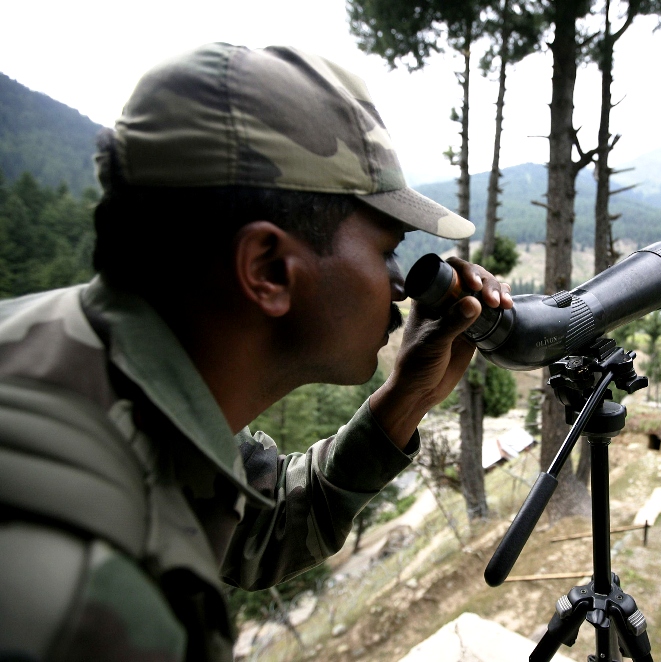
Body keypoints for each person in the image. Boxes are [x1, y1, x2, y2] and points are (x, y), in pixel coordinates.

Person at [0, 43, 512, 661]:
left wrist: (406, 397)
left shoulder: (102, 375)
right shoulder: (89, 598)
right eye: (385, 251)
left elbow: (261, 528)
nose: (403, 284)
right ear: (267, 269)